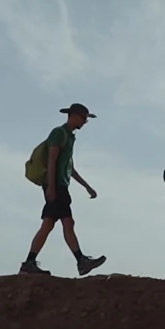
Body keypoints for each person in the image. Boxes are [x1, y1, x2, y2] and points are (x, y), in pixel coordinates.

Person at [20, 103, 107, 276]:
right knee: (65, 222)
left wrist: (87, 187)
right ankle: (81, 261)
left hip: (60, 185)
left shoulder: (69, 137)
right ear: (73, 116)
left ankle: (30, 263)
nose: (84, 122)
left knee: (51, 223)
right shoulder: (59, 133)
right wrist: (51, 187)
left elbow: (69, 167)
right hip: (56, 185)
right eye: (83, 118)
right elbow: (52, 160)